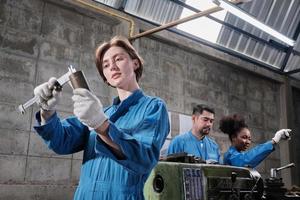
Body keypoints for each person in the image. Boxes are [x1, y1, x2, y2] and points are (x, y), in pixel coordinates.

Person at [33, 36, 170, 200]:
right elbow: (62, 141)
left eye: (118, 59)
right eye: (105, 65)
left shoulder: (153, 107)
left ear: (135, 63)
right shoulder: (100, 113)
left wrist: (102, 127)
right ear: (105, 76)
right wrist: (47, 111)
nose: (112, 66)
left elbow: (144, 159)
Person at [219, 114, 291, 168]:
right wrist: (274, 141)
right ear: (233, 137)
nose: (248, 142)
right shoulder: (230, 156)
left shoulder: (237, 154)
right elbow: (246, 159)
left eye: (249, 139)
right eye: (244, 137)